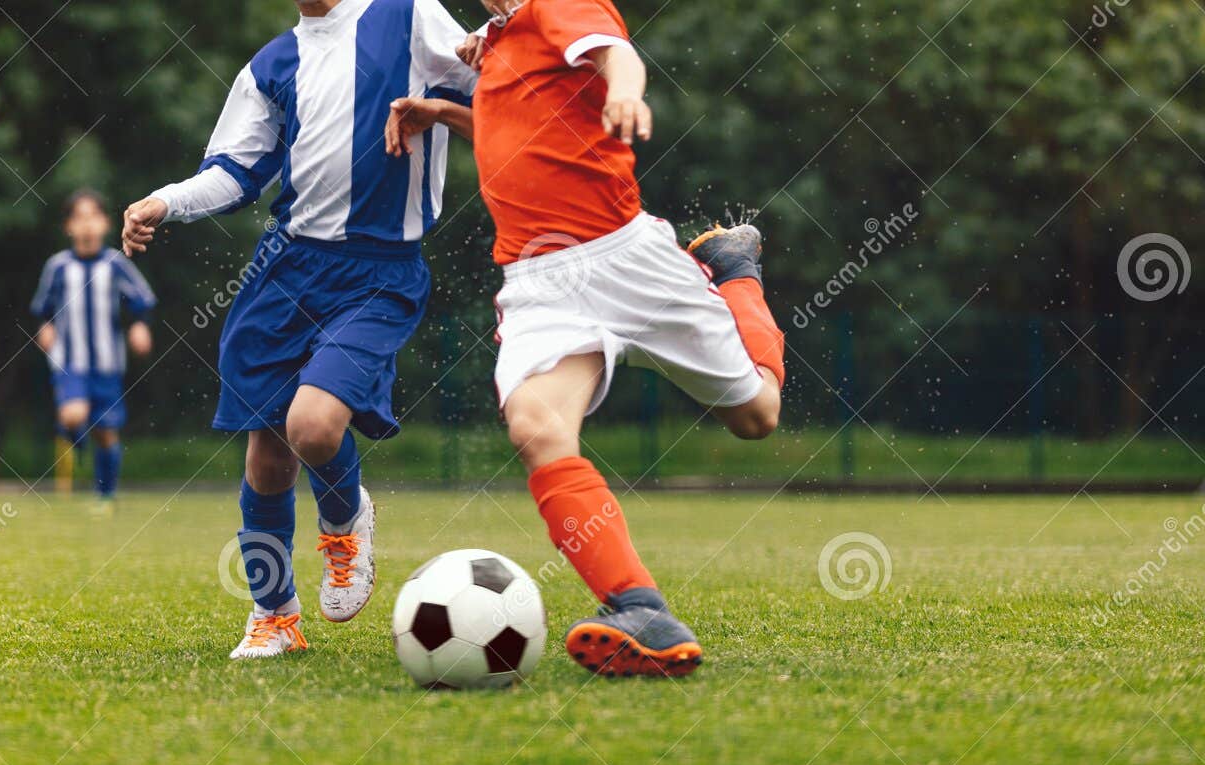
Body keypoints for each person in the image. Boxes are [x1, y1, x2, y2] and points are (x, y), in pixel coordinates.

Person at [399, 0, 786, 677]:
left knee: (758, 415)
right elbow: (517, 135)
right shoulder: (493, 42)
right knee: (535, 426)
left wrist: (628, 93)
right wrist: (446, 116)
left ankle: (735, 272)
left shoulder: (558, 3)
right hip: (539, 283)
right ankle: (640, 609)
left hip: (625, 259)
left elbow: (617, 56)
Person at [121, 0, 478, 659]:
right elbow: (235, 173)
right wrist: (163, 202)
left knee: (312, 426)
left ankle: (345, 523)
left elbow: (497, 97)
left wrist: (490, 56)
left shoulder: (408, 15)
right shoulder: (271, 65)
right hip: (285, 271)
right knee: (268, 448)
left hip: (380, 273)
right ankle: (274, 615)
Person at [31, 188, 157, 516]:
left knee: (106, 432)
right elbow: (43, 309)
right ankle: (74, 433)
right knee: (73, 414)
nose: (86, 225)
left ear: (104, 223)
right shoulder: (57, 267)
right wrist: (45, 330)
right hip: (69, 359)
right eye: (79, 218)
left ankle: (106, 496)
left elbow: (141, 299)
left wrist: (139, 326)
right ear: (68, 226)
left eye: (93, 217)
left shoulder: (116, 264)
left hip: (107, 362)